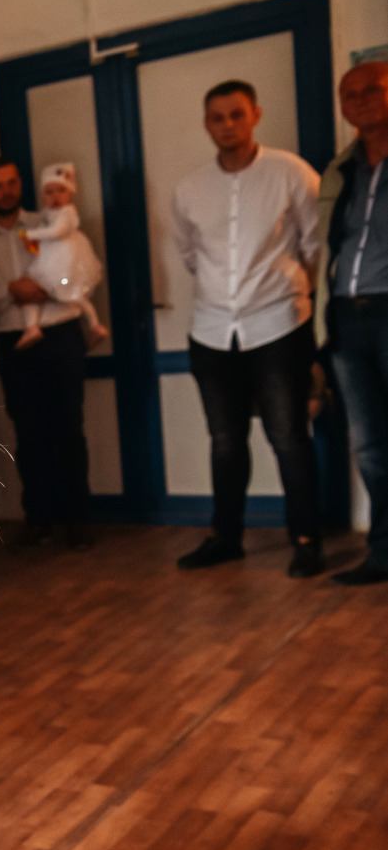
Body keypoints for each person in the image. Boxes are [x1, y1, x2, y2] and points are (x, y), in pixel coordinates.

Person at [173, 79, 323, 577]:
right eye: (217, 118)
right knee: (225, 441)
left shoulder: (292, 173)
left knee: (288, 436)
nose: (227, 126)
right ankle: (226, 537)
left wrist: (289, 297)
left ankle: (305, 539)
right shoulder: (190, 189)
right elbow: (193, 257)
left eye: (236, 115)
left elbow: (314, 247)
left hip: (278, 324)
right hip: (212, 332)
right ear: (206, 124)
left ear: (255, 114)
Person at [0, 157, 95, 549]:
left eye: (12, 182)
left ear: (21, 185)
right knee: (29, 432)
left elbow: (84, 268)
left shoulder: (49, 223)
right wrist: (11, 292)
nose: (7, 190)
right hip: (14, 342)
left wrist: (54, 288)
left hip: (61, 332)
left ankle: (78, 520)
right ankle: (39, 518)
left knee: (69, 427)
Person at [320, 61, 388, 585]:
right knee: (368, 443)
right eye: (350, 94)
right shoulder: (340, 169)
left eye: (373, 90)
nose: (360, 100)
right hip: (347, 316)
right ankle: (383, 551)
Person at [17, 163, 108, 349]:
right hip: (53, 261)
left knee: (61, 292)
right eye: (49, 192)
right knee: (69, 295)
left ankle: (33, 326)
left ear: (70, 192)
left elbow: (57, 231)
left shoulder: (67, 213)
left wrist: (30, 235)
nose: (55, 196)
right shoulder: (46, 214)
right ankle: (93, 325)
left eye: (61, 190)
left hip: (64, 263)